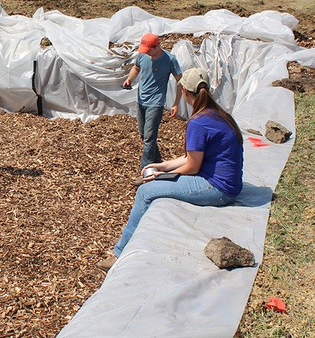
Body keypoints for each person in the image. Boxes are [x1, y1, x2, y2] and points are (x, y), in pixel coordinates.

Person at [99, 68, 244, 271]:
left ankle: (119, 254)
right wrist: (162, 165)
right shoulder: (218, 114)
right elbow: (192, 157)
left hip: (219, 189)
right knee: (153, 184)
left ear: (184, 91)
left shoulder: (198, 123)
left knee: (145, 191)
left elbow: (192, 167)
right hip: (229, 184)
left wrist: (163, 175)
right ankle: (132, 232)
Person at [123, 33, 183, 172]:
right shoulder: (143, 55)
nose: (146, 52)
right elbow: (136, 68)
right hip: (141, 100)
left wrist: (176, 103)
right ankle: (158, 161)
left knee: (149, 138)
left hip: (156, 102)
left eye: (149, 49)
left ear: (157, 46)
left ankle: (146, 170)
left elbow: (180, 81)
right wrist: (130, 79)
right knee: (144, 135)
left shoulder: (170, 60)